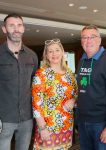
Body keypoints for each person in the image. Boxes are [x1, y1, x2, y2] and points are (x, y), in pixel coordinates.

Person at [76, 24, 106, 150]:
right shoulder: (82, 60)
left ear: (99, 40)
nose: (88, 41)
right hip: (82, 121)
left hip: (101, 124)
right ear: (81, 41)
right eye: (84, 37)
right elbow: (83, 89)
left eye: (92, 37)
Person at [0, 13, 38, 150]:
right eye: (11, 25)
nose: (16, 29)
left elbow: (35, 85)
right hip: (4, 119)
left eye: (19, 25)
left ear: (23, 28)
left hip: (27, 118)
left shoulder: (32, 55)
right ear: (4, 29)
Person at [32, 38, 78, 150]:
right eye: (50, 51)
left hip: (66, 126)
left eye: (57, 50)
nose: (54, 54)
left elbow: (77, 93)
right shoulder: (41, 74)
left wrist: (74, 100)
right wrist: (42, 129)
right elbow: (36, 104)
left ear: (62, 52)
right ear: (46, 55)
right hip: (48, 127)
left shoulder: (69, 73)